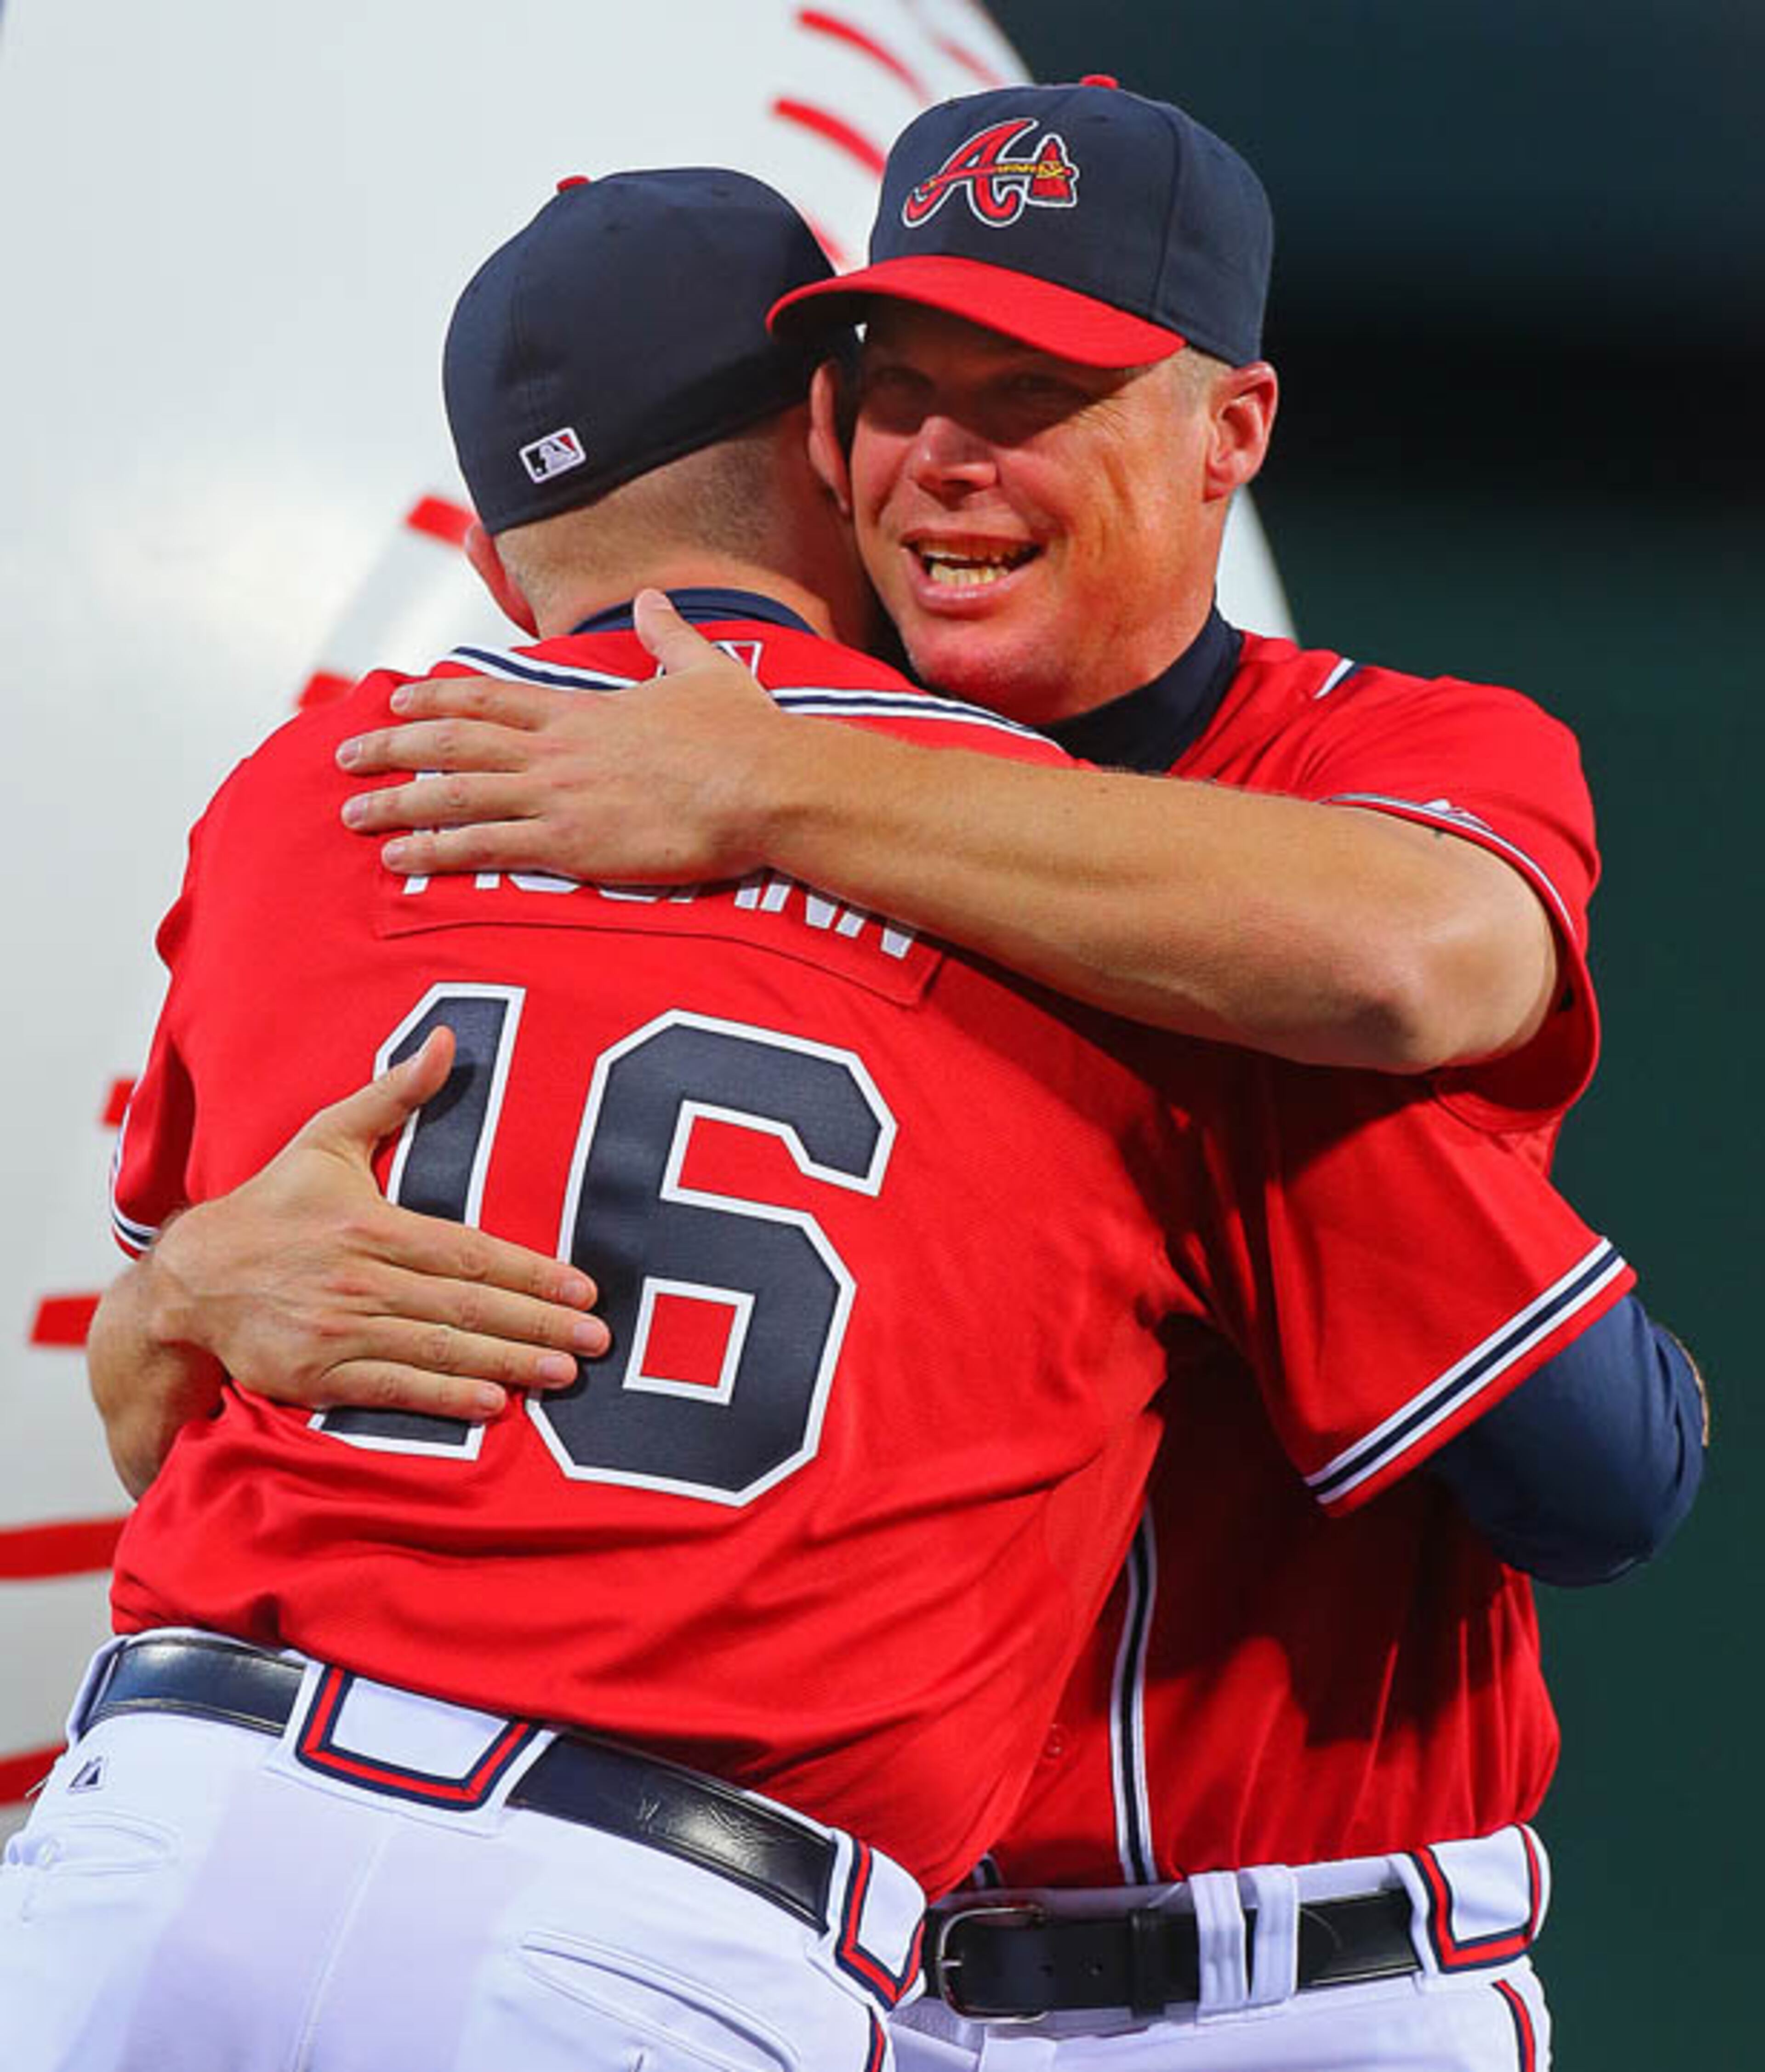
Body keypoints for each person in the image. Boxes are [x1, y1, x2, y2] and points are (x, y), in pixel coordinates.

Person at [77, 91, 1705, 2072]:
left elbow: (1584, 1411)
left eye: (1036, 388)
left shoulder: (1344, 785)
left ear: (1232, 433)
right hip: (801, 1948)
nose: (947, 456)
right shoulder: (613, 804)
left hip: (1275, 1974)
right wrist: (190, 1286)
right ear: (816, 442)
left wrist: (776, 781)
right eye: (897, 382)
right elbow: (166, 1406)